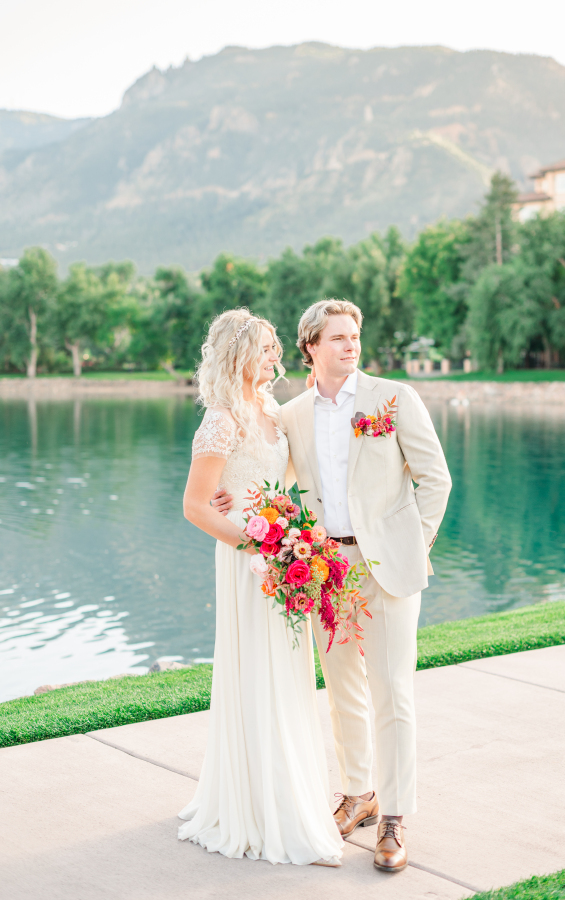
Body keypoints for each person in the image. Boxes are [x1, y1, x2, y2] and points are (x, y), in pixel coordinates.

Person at [213, 299, 451, 873]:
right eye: (338, 338)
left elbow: (434, 480)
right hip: (327, 569)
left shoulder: (393, 399)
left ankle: (394, 816)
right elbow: (270, 478)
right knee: (344, 689)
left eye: (355, 337)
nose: (351, 346)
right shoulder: (290, 415)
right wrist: (230, 499)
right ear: (311, 346)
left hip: (389, 570)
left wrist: (412, 546)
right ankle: (358, 793)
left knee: (393, 690)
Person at [178, 308, 344, 867]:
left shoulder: (269, 411)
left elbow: (281, 479)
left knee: (288, 672)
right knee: (260, 670)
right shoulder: (221, 420)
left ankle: (289, 795)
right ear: (242, 355)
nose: (277, 358)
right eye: (269, 349)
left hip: (282, 552)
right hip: (250, 560)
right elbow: (194, 506)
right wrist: (254, 539)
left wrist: (280, 525)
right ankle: (261, 807)